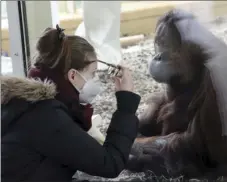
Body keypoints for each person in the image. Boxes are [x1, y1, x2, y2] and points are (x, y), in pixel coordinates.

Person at [1, 25, 141, 182]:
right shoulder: (47, 116)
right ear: (73, 75)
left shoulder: (25, 101)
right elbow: (110, 164)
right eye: (92, 73)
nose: (95, 80)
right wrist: (126, 105)